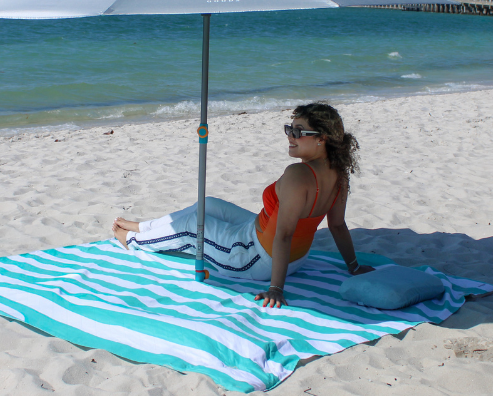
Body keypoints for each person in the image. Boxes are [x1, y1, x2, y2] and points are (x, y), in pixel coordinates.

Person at [113, 102, 374, 308]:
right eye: (288, 129)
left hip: (255, 258)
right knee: (209, 204)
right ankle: (143, 226)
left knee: (195, 225)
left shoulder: (298, 175)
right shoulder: (338, 173)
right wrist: (353, 265)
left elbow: (283, 235)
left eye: (297, 132)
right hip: (288, 251)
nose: (289, 137)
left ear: (322, 138)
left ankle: (133, 241)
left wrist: (276, 289)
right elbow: (337, 225)